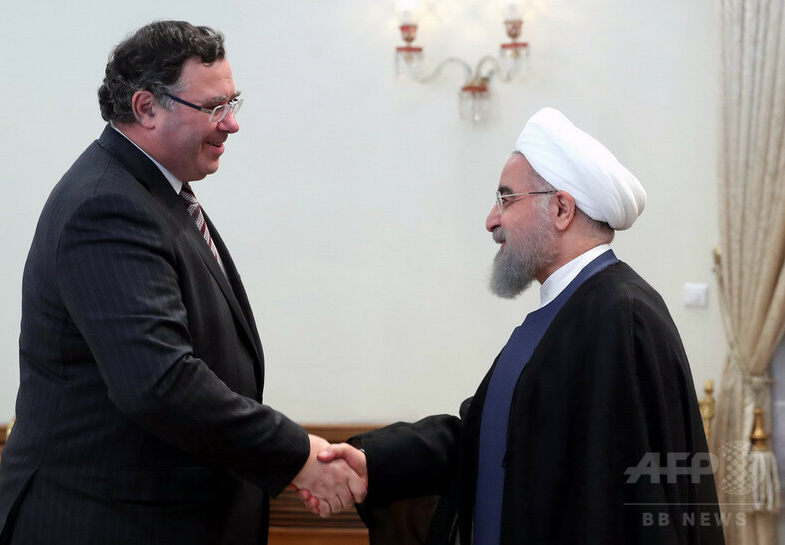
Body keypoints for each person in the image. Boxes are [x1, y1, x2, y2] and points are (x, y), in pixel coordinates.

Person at [0, 20, 365, 545]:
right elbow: (159, 382)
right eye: (213, 107)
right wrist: (298, 456)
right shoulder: (108, 205)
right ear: (146, 107)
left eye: (233, 102)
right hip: (106, 522)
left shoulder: (152, 192)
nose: (231, 124)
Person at [307, 108, 725, 544]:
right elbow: (483, 434)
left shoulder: (621, 316)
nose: (491, 220)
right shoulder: (559, 314)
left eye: (506, 200)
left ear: (561, 208)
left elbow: (634, 504)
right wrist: (374, 462)